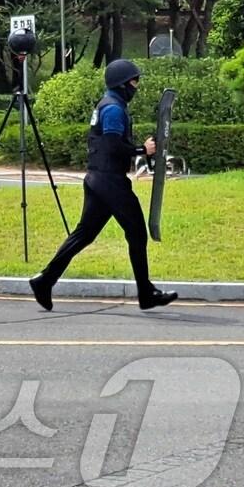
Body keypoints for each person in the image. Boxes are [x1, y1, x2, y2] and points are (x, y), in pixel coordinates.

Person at [29, 60, 178, 312]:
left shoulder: (108, 104)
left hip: (97, 179)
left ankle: (44, 280)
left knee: (84, 234)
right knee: (137, 234)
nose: (136, 86)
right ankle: (146, 293)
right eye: (134, 81)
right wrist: (143, 150)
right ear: (122, 84)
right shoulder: (113, 110)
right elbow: (112, 145)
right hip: (111, 182)